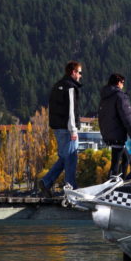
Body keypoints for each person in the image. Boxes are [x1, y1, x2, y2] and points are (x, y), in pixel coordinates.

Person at [38, 61, 83, 196]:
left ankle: (46, 182)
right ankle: (71, 188)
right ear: (73, 72)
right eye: (79, 72)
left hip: (57, 128)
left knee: (64, 157)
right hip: (67, 128)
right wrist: (73, 129)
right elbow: (71, 110)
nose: (81, 75)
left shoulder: (57, 86)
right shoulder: (70, 87)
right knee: (71, 158)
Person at [98, 73, 131, 179]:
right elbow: (127, 117)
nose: (123, 85)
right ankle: (112, 185)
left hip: (108, 133)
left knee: (126, 158)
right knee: (115, 164)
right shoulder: (120, 96)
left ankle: (120, 180)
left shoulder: (105, 97)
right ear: (118, 82)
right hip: (117, 134)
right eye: (122, 83)